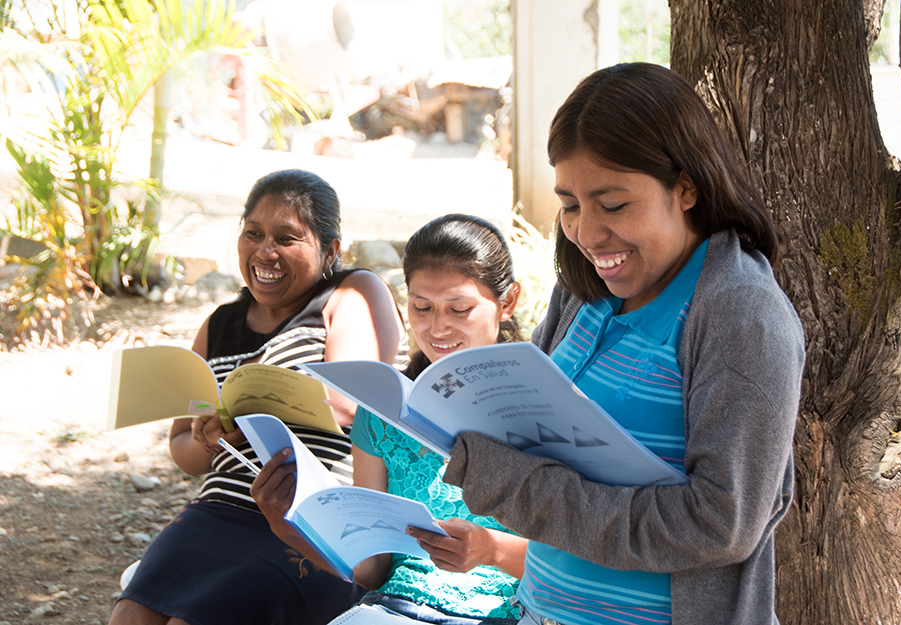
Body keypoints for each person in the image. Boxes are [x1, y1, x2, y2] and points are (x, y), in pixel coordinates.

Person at [440, 63, 806, 625]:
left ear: (686, 187)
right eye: (569, 205)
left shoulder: (740, 315)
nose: (587, 233)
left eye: (613, 205)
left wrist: (515, 489)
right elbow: (530, 430)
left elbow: (720, 524)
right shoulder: (584, 290)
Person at [110, 169, 407, 625]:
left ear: (330, 250)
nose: (265, 251)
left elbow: (350, 404)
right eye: (253, 233)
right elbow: (183, 453)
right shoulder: (220, 323)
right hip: (219, 509)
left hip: (308, 516)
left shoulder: (351, 292)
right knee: (130, 615)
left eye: (287, 238)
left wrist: (256, 400)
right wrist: (209, 438)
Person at [252, 214, 528, 625]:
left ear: (506, 303)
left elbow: (581, 562)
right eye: (421, 307)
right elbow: (372, 568)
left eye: (459, 308)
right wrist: (291, 525)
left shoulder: (542, 408)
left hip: (507, 613)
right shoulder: (383, 412)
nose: (437, 327)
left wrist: (491, 551)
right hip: (397, 609)